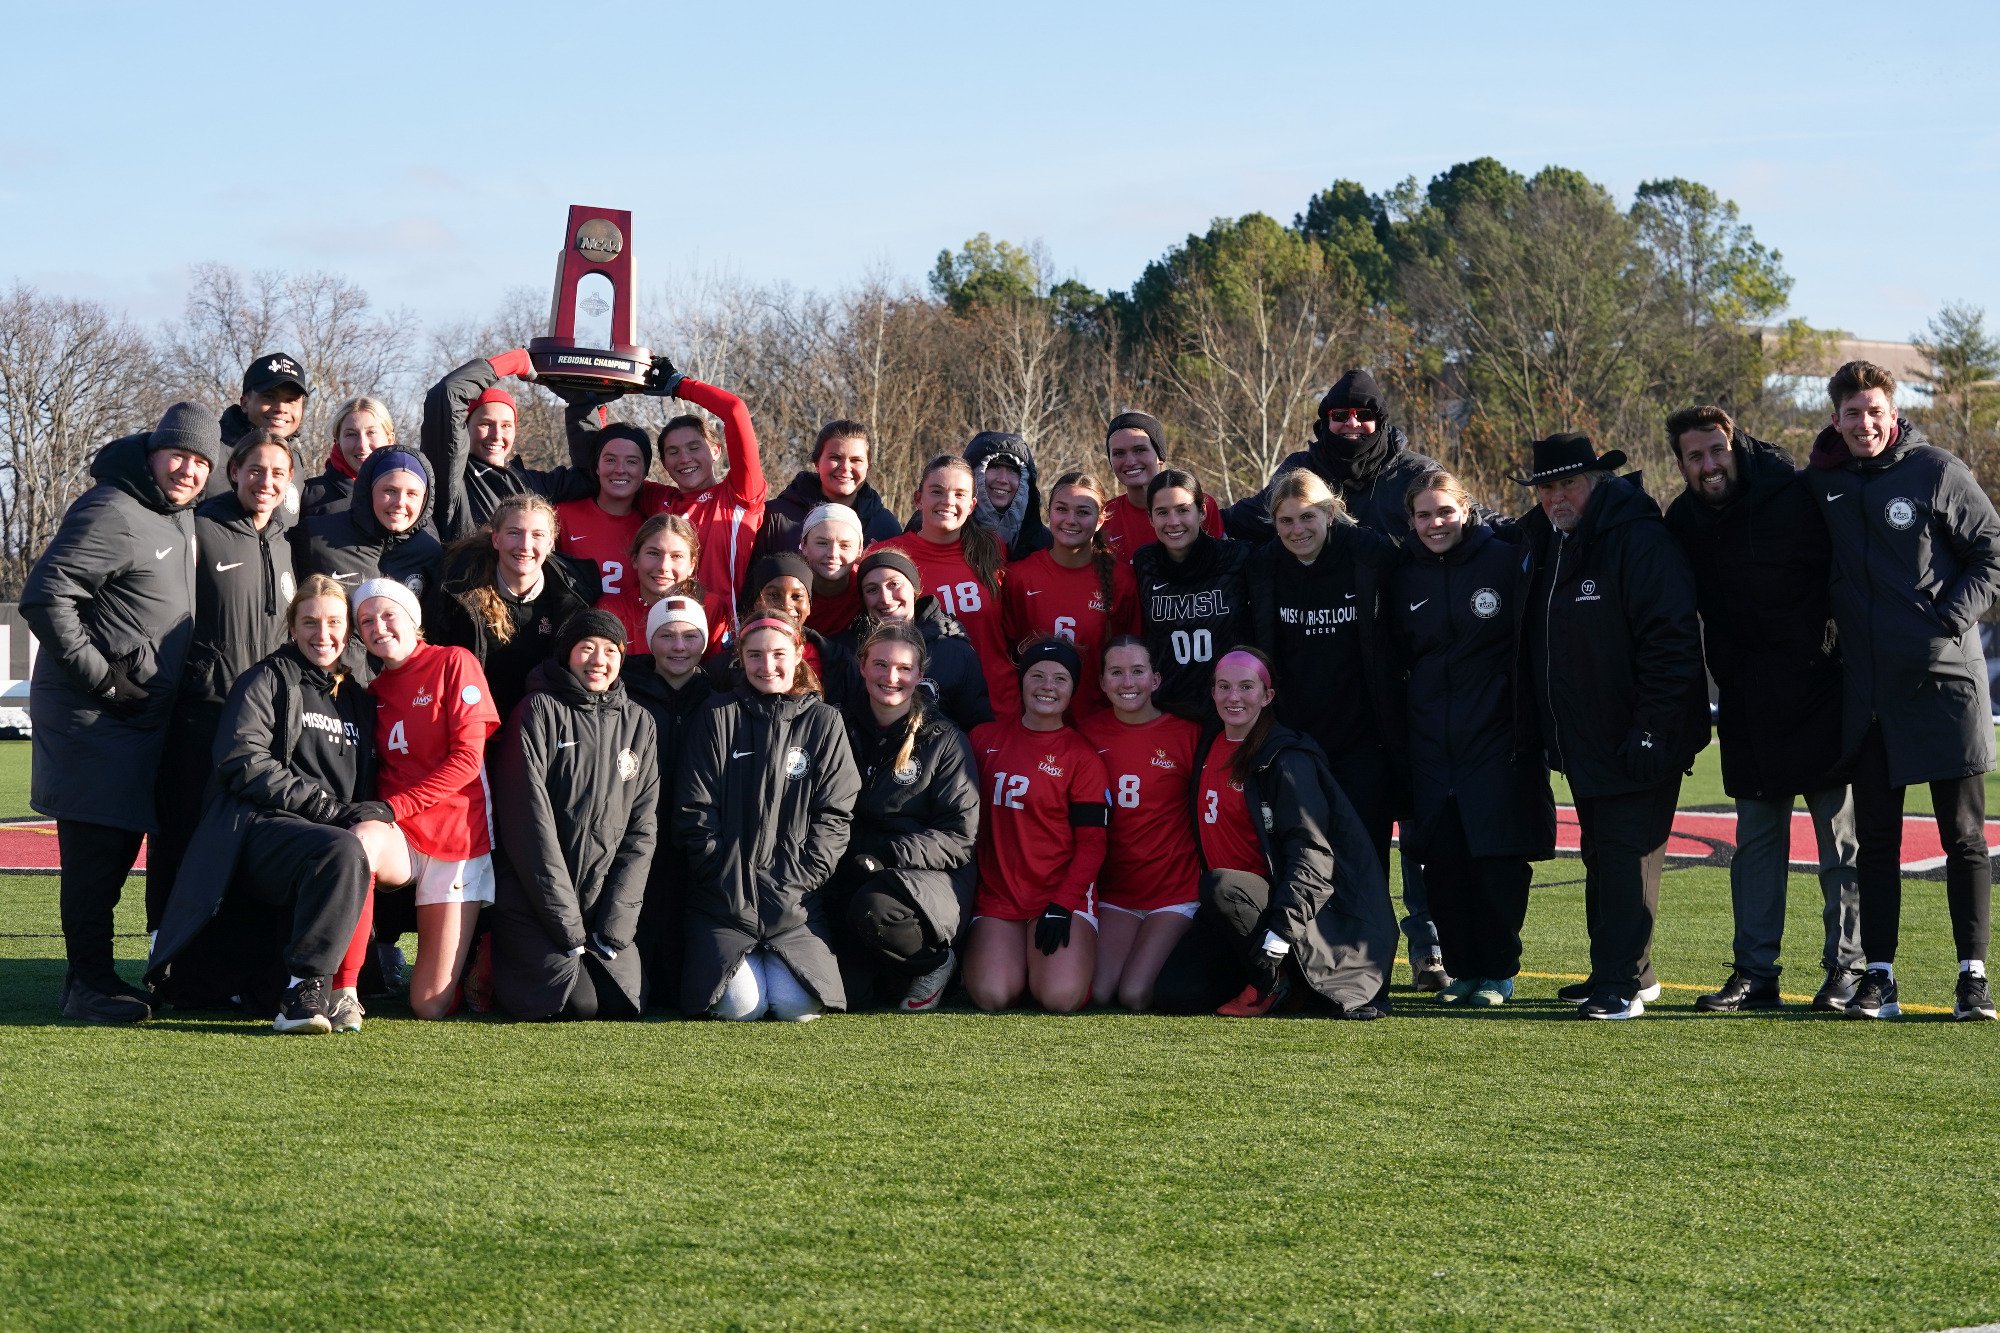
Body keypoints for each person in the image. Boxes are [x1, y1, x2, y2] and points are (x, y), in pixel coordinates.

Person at [1809, 361, 2000, 1021]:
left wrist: (1945, 622)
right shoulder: (1825, 483)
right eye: (1852, 413)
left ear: (1893, 412)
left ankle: (1972, 978)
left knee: (1964, 837)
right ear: (1836, 419)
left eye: (1874, 411)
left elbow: (1992, 552)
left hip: (1946, 683)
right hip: (1871, 692)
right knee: (1878, 840)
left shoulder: (1937, 470)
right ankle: (1880, 977)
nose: (1864, 423)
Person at [1661, 406, 1862, 1013]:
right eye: (1694, 456)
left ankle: (1847, 970)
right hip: (1747, 702)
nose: (1709, 465)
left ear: (1736, 444)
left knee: (1840, 843)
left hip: (1823, 693)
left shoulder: (1798, 493)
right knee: (1756, 847)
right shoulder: (1682, 520)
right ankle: (1755, 972)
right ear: (1681, 465)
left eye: (1716, 450)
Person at [22, 402, 218, 1022]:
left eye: (200, 461)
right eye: (178, 455)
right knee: (95, 859)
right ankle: (87, 984)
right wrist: (103, 680)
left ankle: (96, 978)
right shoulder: (113, 507)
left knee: (113, 857)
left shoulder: (175, 514)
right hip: (94, 721)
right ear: (154, 453)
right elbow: (45, 595)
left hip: (138, 724)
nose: (188, 470)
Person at [1518, 433, 1708, 1020]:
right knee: (1603, 855)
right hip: (1586, 737)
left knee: (1626, 857)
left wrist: (1652, 729)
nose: (1556, 497)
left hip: (1639, 736)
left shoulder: (1639, 539)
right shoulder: (1551, 540)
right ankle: (1625, 972)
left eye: (1568, 483)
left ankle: (1619, 985)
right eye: (1546, 488)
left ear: (1597, 482)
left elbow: (1672, 641)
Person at [145, 577, 389, 1032]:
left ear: (349, 630)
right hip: (258, 830)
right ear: (291, 628)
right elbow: (242, 760)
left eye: (334, 622)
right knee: (342, 849)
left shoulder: (357, 696)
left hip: (321, 836)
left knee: (372, 846)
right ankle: (303, 992)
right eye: (310, 622)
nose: (322, 634)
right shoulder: (265, 679)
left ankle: (353, 979)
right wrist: (324, 809)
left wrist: (382, 811)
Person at [1244, 468, 1444, 983]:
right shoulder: (1263, 567)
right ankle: (1302, 969)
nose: (1297, 530)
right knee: (1299, 856)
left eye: (1307, 517)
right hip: (1296, 745)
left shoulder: (1371, 555)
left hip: (1364, 742)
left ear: (1331, 513)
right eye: (1286, 521)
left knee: (1365, 860)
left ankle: (1369, 972)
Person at [1152, 650, 1400, 1019]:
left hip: (1278, 910)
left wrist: (1279, 937)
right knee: (1174, 996)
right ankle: (1281, 981)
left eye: (1246, 687)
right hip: (1230, 915)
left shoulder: (1286, 758)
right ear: (1213, 692)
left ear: (1267, 696)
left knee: (1221, 885)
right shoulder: (1207, 743)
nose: (1234, 696)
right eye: (1224, 687)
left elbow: (1313, 857)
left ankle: (1277, 978)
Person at [1384, 470, 1554, 1006]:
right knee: (1442, 864)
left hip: (1497, 740)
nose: (1435, 524)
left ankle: (1499, 973)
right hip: (1431, 745)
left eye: (1444, 511)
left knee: (1497, 862)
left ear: (1465, 509)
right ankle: (1461, 971)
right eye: (1423, 515)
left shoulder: (1504, 559)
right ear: (1411, 520)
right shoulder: (1401, 574)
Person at [148, 427, 300, 938]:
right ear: (234, 472)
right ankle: (162, 948)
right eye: (255, 470)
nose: (265, 481)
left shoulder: (285, 541)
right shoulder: (200, 527)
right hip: (202, 715)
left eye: (277, 473)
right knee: (182, 835)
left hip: (266, 723)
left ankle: (234, 959)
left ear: (289, 481)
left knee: (248, 837)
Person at [674, 608, 861, 1021]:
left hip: (796, 904)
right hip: (723, 902)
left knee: (798, 1007)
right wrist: (724, 875)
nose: (767, 666)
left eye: (778, 654)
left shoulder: (824, 722)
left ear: (798, 653)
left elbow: (835, 815)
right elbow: (694, 809)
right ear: (740, 657)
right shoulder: (717, 714)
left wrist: (800, 879)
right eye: (755, 655)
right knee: (742, 1007)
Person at [490, 610, 659, 1021]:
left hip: (600, 905)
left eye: (610, 651)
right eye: (587, 648)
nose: (598, 660)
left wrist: (616, 926)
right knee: (578, 1004)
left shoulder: (640, 723)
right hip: (534, 902)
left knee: (621, 1002)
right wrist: (567, 925)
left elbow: (642, 831)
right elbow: (529, 826)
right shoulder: (538, 710)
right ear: (566, 653)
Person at [353, 579, 503, 1019]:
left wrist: (395, 807)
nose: (379, 627)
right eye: (366, 621)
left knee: (429, 1004)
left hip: (457, 836)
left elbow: (467, 762)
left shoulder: (454, 662)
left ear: (413, 619)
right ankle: (345, 983)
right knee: (358, 843)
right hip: (401, 835)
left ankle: (484, 947)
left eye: (388, 615)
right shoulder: (372, 693)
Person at [833, 621, 982, 1010]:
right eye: (880, 665)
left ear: (919, 674)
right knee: (844, 994)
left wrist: (886, 855)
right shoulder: (837, 725)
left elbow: (958, 838)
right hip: (848, 871)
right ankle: (889, 972)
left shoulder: (943, 739)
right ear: (862, 666)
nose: (891, 677)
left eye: (903, 668)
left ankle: (934, 964)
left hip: (922, 880)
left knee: (874, 907)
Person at [962, 639, 1109, 1013]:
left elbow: (1092, 844)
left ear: (1073, 689)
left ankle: (1046, 966)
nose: (1047, 686)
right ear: (1022, 680)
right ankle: (1017, 964)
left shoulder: (1082, 757)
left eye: (1060, 679)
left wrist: (1063, 904)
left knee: (1060, 997)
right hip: (998, 897)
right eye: (1037, 675)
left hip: (1059, 895)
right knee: (992, 995)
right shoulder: (983, 739)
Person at [1077, 637, 1202, 1010]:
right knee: (1099, 992)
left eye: (1137, 671)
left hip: (1175, 892)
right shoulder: (1087, 733)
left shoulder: (1188, 734)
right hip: (1117, 894)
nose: (1127, 682)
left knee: (1134, 994)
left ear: (1155, 679)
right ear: (1102, 682)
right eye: (1116, 672)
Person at [1225, 368, 1472, 543]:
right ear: (1326, 420)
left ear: (1380, 422)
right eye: (1341, 415)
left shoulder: (1417, 472)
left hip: (1400, 598)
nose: (1352, 423)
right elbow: (1249, 517)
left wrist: (1500, 537)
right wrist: (1203, 515)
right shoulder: (1300, 470)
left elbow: (1467, 516)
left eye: (1364, 415)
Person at [425, 493, 601, 725]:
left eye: (537, 535)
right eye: (514, 533)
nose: (525, 545)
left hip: (542, 730)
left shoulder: (576, 595)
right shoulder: (456, 593)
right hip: (473, 726)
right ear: (496, 539)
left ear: (550, 544)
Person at [621, 594, 716, 1005]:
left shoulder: (719, 696)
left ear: (705, 641)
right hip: (638, 831)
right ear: (649, 641)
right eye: (667, 636)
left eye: (690, 636)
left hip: (695, 835)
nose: (679, 647)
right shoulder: (624, 691)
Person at [869, 455, 1016, 716]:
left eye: (959, 494)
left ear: (971, 505)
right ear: (918, 499)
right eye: (937, 491)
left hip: (997, 705)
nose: (948, 501)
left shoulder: (993, 550)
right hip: (922, 708)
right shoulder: (887, 555)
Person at [419, 351, 597, 542]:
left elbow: (592, 476)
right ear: (465, 428)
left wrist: (583, 404)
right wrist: (516, 362)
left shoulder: (532, 483)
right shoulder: (452, 475)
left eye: (506, 426)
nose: (497, 435)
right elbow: (447, 393)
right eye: (485, 424)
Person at [1002, 471, 1138, 719]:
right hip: (1035, 723)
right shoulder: (1020, 576)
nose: (1070, 520)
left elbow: (1134, 661)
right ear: (1049, 512)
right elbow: (1005, 657)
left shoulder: (1123, 581)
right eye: (1061, 509)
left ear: (1100, 519)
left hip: (1098, 722)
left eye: (1083, 512)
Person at [652, 363, 768, 627]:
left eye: (694, 447)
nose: (684, 458)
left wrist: (681, 386)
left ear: (716, 451)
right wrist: (600, 397)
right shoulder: (658, 500)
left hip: (725, 640)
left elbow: (735, 410)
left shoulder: (739, 494)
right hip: (667, 637)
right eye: (673, 452)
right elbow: (611, 467)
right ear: (664, 463)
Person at [1133, 469, 1251, 720]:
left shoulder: (1237, 557)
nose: (1173, 521)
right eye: (1162, 512)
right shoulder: (1145, 562)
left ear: (1202, 512)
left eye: (1183, 510)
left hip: (1228, 707)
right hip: (1167, 708)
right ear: (1150, 518)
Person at [838, 548, 993, 734]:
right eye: (872, 590)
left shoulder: (955, 652)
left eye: (894, 584)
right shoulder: (846, 652)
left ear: (914, 588)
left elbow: (976, 730)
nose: (885, 598)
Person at [290, 448, 444, 600]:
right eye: (390, 491)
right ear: (369, 491)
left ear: (424, 500)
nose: (400, 503)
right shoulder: (314, 537)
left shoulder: (431, 554)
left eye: (412, 494)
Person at [717, 552, 859, 707]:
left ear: (809, 605)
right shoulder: (723, 667)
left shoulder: (840, 661)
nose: (786, 606)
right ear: (755, 602)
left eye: (797, 596)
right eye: (773, 595)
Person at [752, 419, 905, 558]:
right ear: (817, 463)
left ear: (868, 466)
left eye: (856, 460)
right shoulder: (775, 517)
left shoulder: (885, 526)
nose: (845, 468)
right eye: (835, 458)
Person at [554, 419, 663, 602]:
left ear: (644, 471)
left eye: (631, 462)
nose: (620, 470)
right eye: (611, 460)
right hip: (574, 620)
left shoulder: (653, 530)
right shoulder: (560, 516)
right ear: (596, 466)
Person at [1098, 412, 1223, 567]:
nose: (1130, 462)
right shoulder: (1103, 518)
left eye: (1139, 450)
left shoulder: (1200, 505)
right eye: (1118, 453)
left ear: (1159, 455)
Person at [597, 512, 728, 659]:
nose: (663, 566)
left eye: (676, 556)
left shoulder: (710, 608)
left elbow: (717, 670)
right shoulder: (610, 611)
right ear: (635, 559)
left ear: (692, 565)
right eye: (653, 553)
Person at [302, 396, 396, 517]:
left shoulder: (408, 496)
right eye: (351, 434)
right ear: (337, 442)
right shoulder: (307, 497)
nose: (362, 445)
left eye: (371, 433)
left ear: (390, 440)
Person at [964, 431, 1051, 561]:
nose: (1003, 479)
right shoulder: (947, 535)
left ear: (1025, 481)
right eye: (994, 467)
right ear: (972, 474)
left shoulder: (1047, 544)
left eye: (1012, 471)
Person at [798, 503, 867, 638]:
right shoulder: (787, 588)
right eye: (822, 543)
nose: (833, 554)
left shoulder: (869, 586)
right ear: (804, 546)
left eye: (845, 545)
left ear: (859, 550)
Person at [219, 353, 309, 453]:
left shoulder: (294, 458)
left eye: (291, 400)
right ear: (245, 403)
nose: (281, 408)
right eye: (269, 397)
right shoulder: (211, 455)